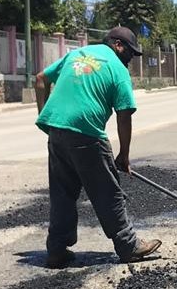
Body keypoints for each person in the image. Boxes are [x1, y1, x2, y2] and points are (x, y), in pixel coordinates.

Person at [35, 27, 162, 269]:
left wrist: (46, 117)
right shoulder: (117, 68)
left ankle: (56, 249)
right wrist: (124, 155)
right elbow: (124, 115)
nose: (130, 60)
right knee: (107, 192)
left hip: (57, 130)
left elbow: (41, 79)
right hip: (87, 133)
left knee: (62, 193)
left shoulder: (77, 54)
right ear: (117, 45)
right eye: (130, 53)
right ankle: (128, 245)